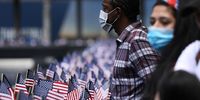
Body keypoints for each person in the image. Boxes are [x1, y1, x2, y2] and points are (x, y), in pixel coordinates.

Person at [99, 0, 160, 99]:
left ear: (117, 12)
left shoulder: (137, 41)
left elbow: (158, 88)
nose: (102, 13)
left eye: (106, 9)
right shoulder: (127, 40)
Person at [142, 0, 200, 100]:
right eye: (152, 22)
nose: (155, 27)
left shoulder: (193, 54)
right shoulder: (165, 63)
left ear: (182, 26)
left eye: (164, 22)